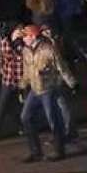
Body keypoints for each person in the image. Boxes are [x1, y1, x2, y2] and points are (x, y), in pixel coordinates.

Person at [19, 24, 77, 162]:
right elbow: (26, 71)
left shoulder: (48, 50)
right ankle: (35, 151)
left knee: (53, 120)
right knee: (25, 117)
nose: (23, 39)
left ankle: (59, 150)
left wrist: (73, 83)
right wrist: (22, 86)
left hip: (48, 89)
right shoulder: (26, 50)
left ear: (33, 36)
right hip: (35, 88)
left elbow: (61, 67)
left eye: (25, 36)